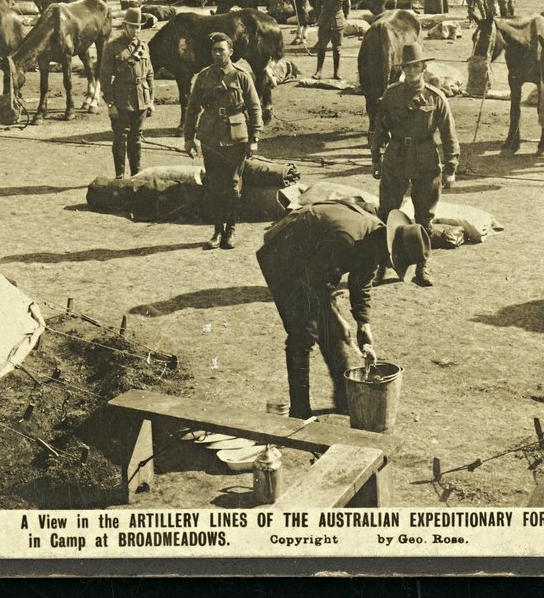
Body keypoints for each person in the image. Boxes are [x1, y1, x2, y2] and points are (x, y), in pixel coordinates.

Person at [256, 201, 430, 418]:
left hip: (313, 257)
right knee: (303, 332)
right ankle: (299, 411)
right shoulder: (348, 240)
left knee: (329, 326)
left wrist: (363, 323)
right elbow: (312, 284)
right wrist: (335, 316)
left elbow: (362, 282)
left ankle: (343, 398)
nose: (390, 265)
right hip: (283, 252)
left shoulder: (374, 239)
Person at [370, 42, 459, 285]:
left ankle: (422, 266)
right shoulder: (391, 94)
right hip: (396, 157)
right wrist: (375, 157)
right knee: (386, 214)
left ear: (423, 67)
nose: (411, 71)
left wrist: (451, 167)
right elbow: (379, 128)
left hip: (425, 158)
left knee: (425, 217)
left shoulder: (435, 97)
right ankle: (381, 266)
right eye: (407, 67)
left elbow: (449, 134)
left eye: (415, 67)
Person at [184, 32, 262, 250]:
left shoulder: (241, 76)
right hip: (210, 136)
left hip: (237, 137)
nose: (217, 54)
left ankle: (231, 230)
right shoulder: (203, 77)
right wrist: (188, 138)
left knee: (233, 185)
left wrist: (254, 137)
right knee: (214, 185)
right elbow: (192, 109)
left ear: (231, 52)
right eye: (214, 50)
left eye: (221, 50)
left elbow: (255, 107)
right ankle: (218, 230)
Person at [99, 6, 155, 180]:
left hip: (142, 98)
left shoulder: (144, 47)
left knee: (136, 138)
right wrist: (110, 104)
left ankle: (136, 174)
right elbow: (104, 77)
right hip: (121, 99)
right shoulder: (112, 47)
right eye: (132, 26)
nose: (136, 30)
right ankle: (120, 176)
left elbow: (150, 74)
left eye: (138, 27)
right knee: (121, 138)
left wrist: (151, 100)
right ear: (124, 26)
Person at [312, 0, 351, 80]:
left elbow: (347, 7)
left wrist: (343, 18)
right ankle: (318, 72)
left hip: (338, 24)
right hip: (324, 24)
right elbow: (317, 4)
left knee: (337, 49)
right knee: (321, 47)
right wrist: (321, 17)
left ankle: (336, 73)